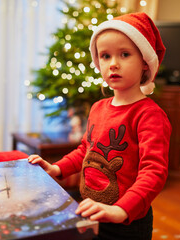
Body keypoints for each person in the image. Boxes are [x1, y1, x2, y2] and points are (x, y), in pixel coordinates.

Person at [28, 12, 171, 240]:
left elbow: (153, 172)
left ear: (145, 62)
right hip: (92, 210)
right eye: (105, 56)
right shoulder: (98, 108)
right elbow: (86, 151)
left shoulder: (149, 115)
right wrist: (57, 169)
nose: (113, 63)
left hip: (127, 221)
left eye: (125, 54)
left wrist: (121, 209)